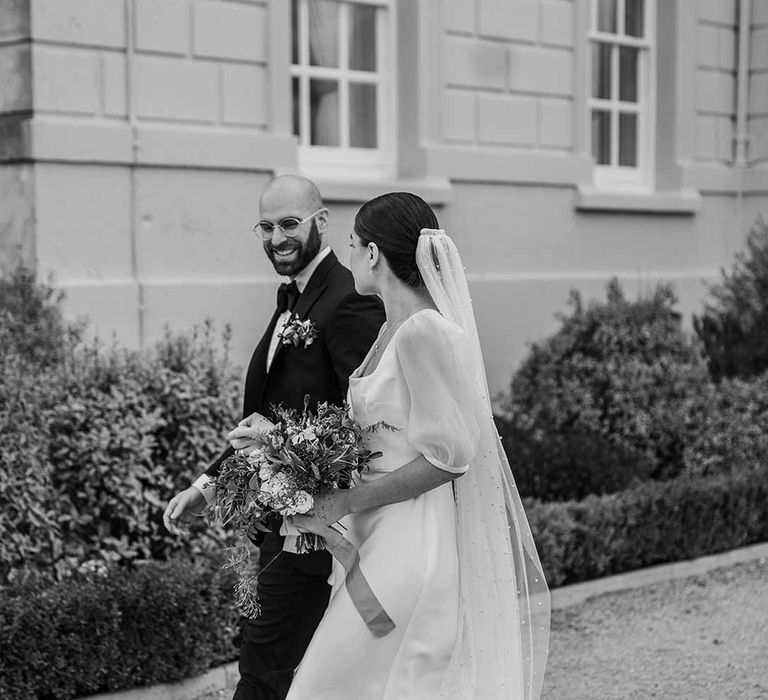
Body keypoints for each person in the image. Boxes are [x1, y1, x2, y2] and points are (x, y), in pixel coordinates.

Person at [281, 192, 551, 699]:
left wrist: (344, 499)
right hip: (374, 542)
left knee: (324, 688)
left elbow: (450, 459)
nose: (349, 253)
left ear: (375, 254)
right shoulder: (389, 328)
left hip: (410, 551)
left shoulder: (424, 332)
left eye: (354, 244)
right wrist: (292, 455)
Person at [162, 174, 384, 700]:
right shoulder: (294, 298)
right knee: (297, 671)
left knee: (265, 669)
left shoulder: (347, 298)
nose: (278, 237)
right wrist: (206, 487)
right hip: (279, 517)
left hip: (315, 524)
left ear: (321, 222)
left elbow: (364, 419)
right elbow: (264, 419)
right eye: (266, 226)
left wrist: (309, 476)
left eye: (290, 223)